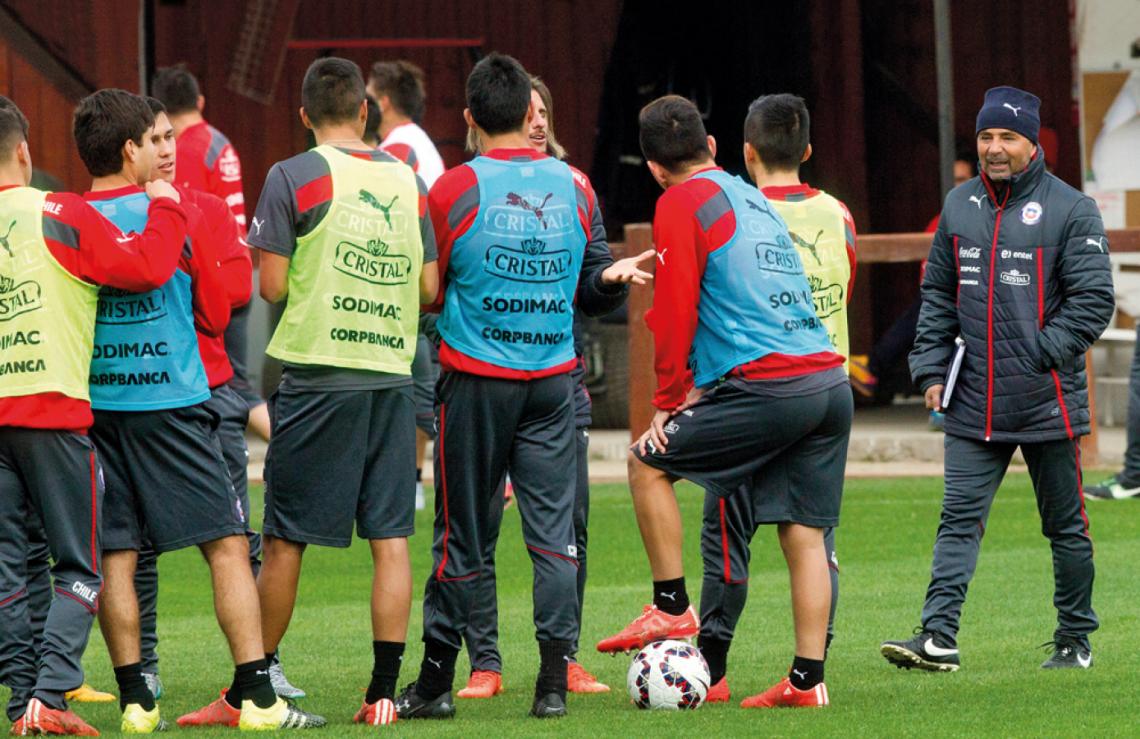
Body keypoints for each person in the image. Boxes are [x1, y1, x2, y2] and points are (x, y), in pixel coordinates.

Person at [397, 52, 649, 721]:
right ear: (527, 114)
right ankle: (553, 686)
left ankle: (434, 682)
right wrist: (604, 279)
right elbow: (587, 289)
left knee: (461, 537)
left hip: (477, 385)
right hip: (553, 386)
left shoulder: (452, 190)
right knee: (554, 537)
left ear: (473, 117)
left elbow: (428, 289)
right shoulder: (578, 187)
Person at [75, 89, 323, 732]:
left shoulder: (66, 217)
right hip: (176, 402)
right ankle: (258, 696)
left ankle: (136, 701)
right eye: (154, 140)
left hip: (100, 406)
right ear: (131, 150)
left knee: (117, 555)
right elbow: (217, 311)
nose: (165, 150)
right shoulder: (177, 211)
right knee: (225, 546)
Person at [595, 95, 852, 710]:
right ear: (713, 147)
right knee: (805, 537)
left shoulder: (679, 201)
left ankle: (670, 608)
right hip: (828, 383)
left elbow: (676, 309)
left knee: (645, 463)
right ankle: (807, 682)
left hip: (769, 386)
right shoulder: (748, 195)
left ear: (654, 169)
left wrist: (667, 399)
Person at [880, 86, 1114, 672]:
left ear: (1033, 145)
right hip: (972, 399)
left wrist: (1038, 355)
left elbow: (1091, 303)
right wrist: (931, 368)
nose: (995, 147)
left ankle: (1074, 639)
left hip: (1046, 401)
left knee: (1064, 527)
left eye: (1008, 136)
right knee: (958, 517)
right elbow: (936, 294)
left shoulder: (1073, 209)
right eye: (986, 136)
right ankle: (938, 637)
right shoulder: (959, 205)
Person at [245, 56, 438, 728]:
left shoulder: (291, 176)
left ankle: (257, 681)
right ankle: (382, 693)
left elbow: (269, 287)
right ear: (365, 111)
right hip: (390, 374)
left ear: (303, 116)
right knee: (390, 538)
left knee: (286, 538)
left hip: (319, 376)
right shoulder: (409, 181)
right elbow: (429, 289)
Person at [0, 96, 187, 737]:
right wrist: (163, 202)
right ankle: (49, 699)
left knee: (7, 567)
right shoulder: (60, 212)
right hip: (52, 413)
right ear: (25, 151)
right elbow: (147, 266)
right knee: (80, 566)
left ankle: (23, 701)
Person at [456, 75, 615, 701]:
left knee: (565, 530)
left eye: (546, 109)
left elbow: (592, 282)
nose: (539, 120)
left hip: (559, 384)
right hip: (479, 381)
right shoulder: (464, 189)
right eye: (530, 111)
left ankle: (564, 657)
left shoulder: (575, 190)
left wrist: (611, 281)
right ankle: (484, 664)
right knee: (477, 528)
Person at [696, 93, 856, 704]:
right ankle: (811, 669)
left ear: (746, 151)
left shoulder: (736, 210)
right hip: (826, 386)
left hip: (756, 386)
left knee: (727, 533)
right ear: (808, 150)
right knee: (814, 537)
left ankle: (712, 668)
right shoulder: (838, 214)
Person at [151, 65, 271, 442]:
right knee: (235, 382)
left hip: (212, 280)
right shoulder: (220, 142)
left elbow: (180, 220)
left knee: (233, 385)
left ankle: (284, 447)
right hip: (236, 267)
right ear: (199, 101)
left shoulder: (183, 151)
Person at [367, 60, 445, 510]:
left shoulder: (399, 149)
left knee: (411, 376)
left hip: (410, 279)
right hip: (425, 274)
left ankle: (406, 482)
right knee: (420, 377)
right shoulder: (418, 142)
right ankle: (409, 480)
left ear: (384, 102)